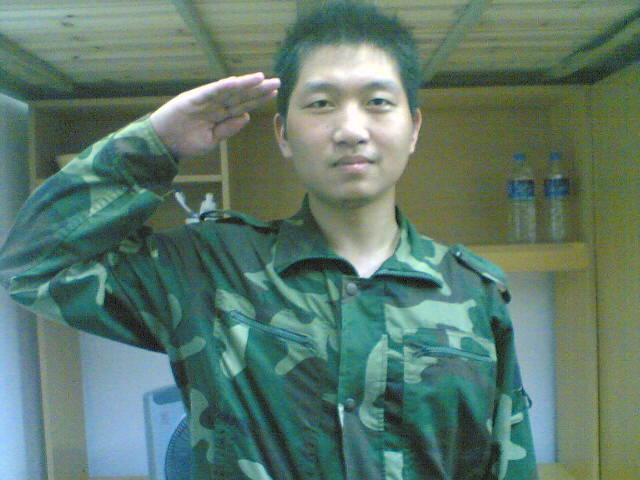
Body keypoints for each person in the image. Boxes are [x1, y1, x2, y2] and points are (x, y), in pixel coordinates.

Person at [0, 2, 538, 479]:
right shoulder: (210, 270)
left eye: (378, 101)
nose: (351, 130)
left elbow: (508, 462)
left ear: (413, 127)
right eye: (321, 104)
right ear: (282, 133)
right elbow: (33, 263)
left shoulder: (473, 295)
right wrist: (156, 142)